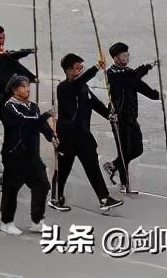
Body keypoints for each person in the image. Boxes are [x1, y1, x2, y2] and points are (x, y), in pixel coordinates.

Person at [50, 53, 122, 213]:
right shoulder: (64, 87)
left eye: (81, 67)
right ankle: (56, 197)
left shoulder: (82, 86)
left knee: (92, 166)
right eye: (77, 68)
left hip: (83, 136)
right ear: (68, 70)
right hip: (67, 137)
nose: (80, 70)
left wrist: (109, 115)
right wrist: (96, 68)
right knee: (63, 169)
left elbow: (93, 102)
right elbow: (80, 82)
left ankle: (104, 198)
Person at [0, 76, 53, 236]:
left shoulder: (33, 106)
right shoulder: (9, 107)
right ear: (15, 90)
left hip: (32, 155)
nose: (27, 89)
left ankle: (37, 221)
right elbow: (25, 121)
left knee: (42, 185)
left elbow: (41, 125)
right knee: (11, 189)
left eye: (28, 86)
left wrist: (52, 137)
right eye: (22, 87)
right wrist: (46, 115)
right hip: (15, 154)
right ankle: (6, 222)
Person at [103, 42, 160, 194]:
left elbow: (133, 75)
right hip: (119, 118)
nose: (126, 57)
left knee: (137, 149)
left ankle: (113, 166)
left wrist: (148, 66)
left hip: (131, 117)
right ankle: (124, 184)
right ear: (115, 58)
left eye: (127, 55)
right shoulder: (112, 74)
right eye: (123, 55)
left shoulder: (126, 73)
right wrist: (156, 95)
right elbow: (134, 80)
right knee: (124, 151)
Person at [0, 25, 36, 105]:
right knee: (10, 62)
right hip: (0, 83)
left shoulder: (5, 53)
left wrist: (27, 51)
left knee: (13, 62)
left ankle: (30, 78)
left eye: (3, 38)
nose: (3, 40)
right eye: (0, 38)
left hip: (11, 81)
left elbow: (15, 54)